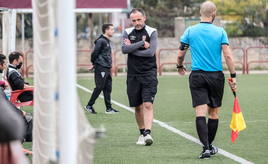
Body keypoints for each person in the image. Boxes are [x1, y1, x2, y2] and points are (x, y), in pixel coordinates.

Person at [177, 1, 237, 159]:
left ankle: (206, 148)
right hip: (216, 76)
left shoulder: (190, 31)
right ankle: (209, 146)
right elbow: (228, 55)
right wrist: (233, 75)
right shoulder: (220, 32)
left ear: (200, 13)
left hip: (197, 76)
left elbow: (180, 53)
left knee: (199, 113)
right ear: (214, 13)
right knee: (214, 113)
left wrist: (179, 66)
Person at [121, 8, 158, 146]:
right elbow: (124, 49)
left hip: (149, 73)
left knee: (147, 104)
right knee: (137, 107)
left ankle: (147, 133)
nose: (137, 23)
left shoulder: (152, 32)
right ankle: (142, 132)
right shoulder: (127, 32)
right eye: (134, 20)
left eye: (139, 19)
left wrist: (132, 49)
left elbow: (151, 53)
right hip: (133, 75)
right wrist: (142, 44)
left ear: (144, 18)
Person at [85, 24, 119, 114]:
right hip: (101, 67)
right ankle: (89, 105)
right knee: (99, 86)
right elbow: (94, 53)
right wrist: (94, 63)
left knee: (108, 88)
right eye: (111, 29)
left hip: (106, 67)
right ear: (106, 30)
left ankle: (109, 108)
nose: (113, 31)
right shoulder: (101, 41)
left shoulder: (106, 41)